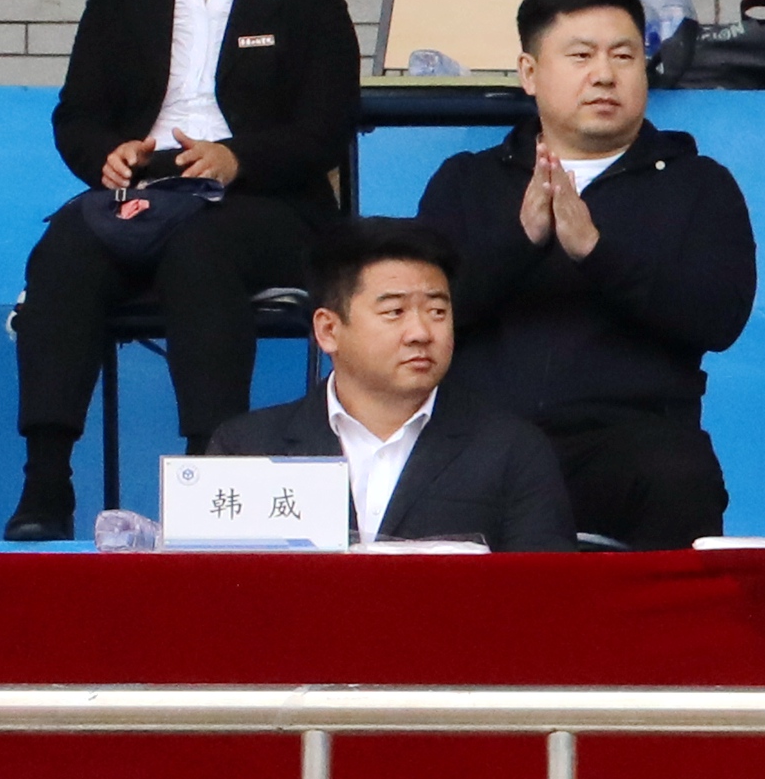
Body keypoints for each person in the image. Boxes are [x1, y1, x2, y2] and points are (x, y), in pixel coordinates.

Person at [9, 0, 360, 539]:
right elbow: (76, 115)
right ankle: (46, 479)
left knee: (203, 247)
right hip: (149, 187)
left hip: (263, 197)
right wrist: (106, 155)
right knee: (66, 246)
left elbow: (324, 129)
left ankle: (210, 464)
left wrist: (238, 157)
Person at [413, 0, 758, 550]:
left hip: (635, 441)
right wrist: (522, 239)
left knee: (681, 477)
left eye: (624, 55)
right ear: (529, 73)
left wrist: (596, 252)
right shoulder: (467, 180)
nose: (604, 74)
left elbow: (718, 319)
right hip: (487, 437)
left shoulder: (698, 184)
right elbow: (430, 313)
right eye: (580, 55)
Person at [198, 222, 576, 550]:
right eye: (394, 312)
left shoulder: (511, 449)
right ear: (328, 330)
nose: (421, 333)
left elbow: (548, 596)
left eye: (437, 312)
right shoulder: (248, 449)